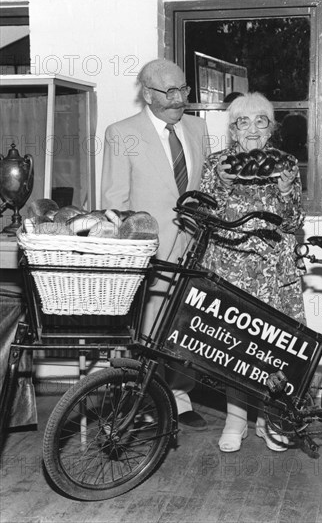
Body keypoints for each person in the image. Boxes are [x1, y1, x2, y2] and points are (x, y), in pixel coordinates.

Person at [101, 58, 210, 430]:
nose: (180, 99)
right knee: (146, 331)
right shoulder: (121, 132)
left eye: (184, 90)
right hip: (149, 252)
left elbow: (204, 189)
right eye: (170, 92)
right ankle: (141, 398)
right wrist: (132, 248)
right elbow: (115, 202)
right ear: (147, 94)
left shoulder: (197, 128)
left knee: (185, 328)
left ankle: (180, 397)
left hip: (193, 248)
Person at [200, 92, 305, 452]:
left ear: (271, 127)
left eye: (261, 120)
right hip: (231, 267)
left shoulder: (286, 163)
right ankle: (235, 417)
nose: (253, 129)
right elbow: (204, 216)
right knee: (233, 346)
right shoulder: (217, 164)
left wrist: (287, 190)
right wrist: (223, 185)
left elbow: (294, 222)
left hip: (274, 271)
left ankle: (268, 418)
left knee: (272, 347)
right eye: (243, 122)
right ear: (232, 129)